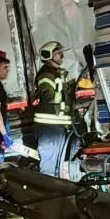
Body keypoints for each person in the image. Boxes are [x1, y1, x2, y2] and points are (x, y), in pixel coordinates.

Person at [32, 41, 72, 176]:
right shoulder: (46, 75)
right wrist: (68, 93)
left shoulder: (56, 73)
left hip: (56, 125)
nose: (62, 56)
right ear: (49, 56)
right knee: (48, 167)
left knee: (57, 166)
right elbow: (49, 97)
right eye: (59, 54)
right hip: (49, 126)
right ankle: (45, 187)